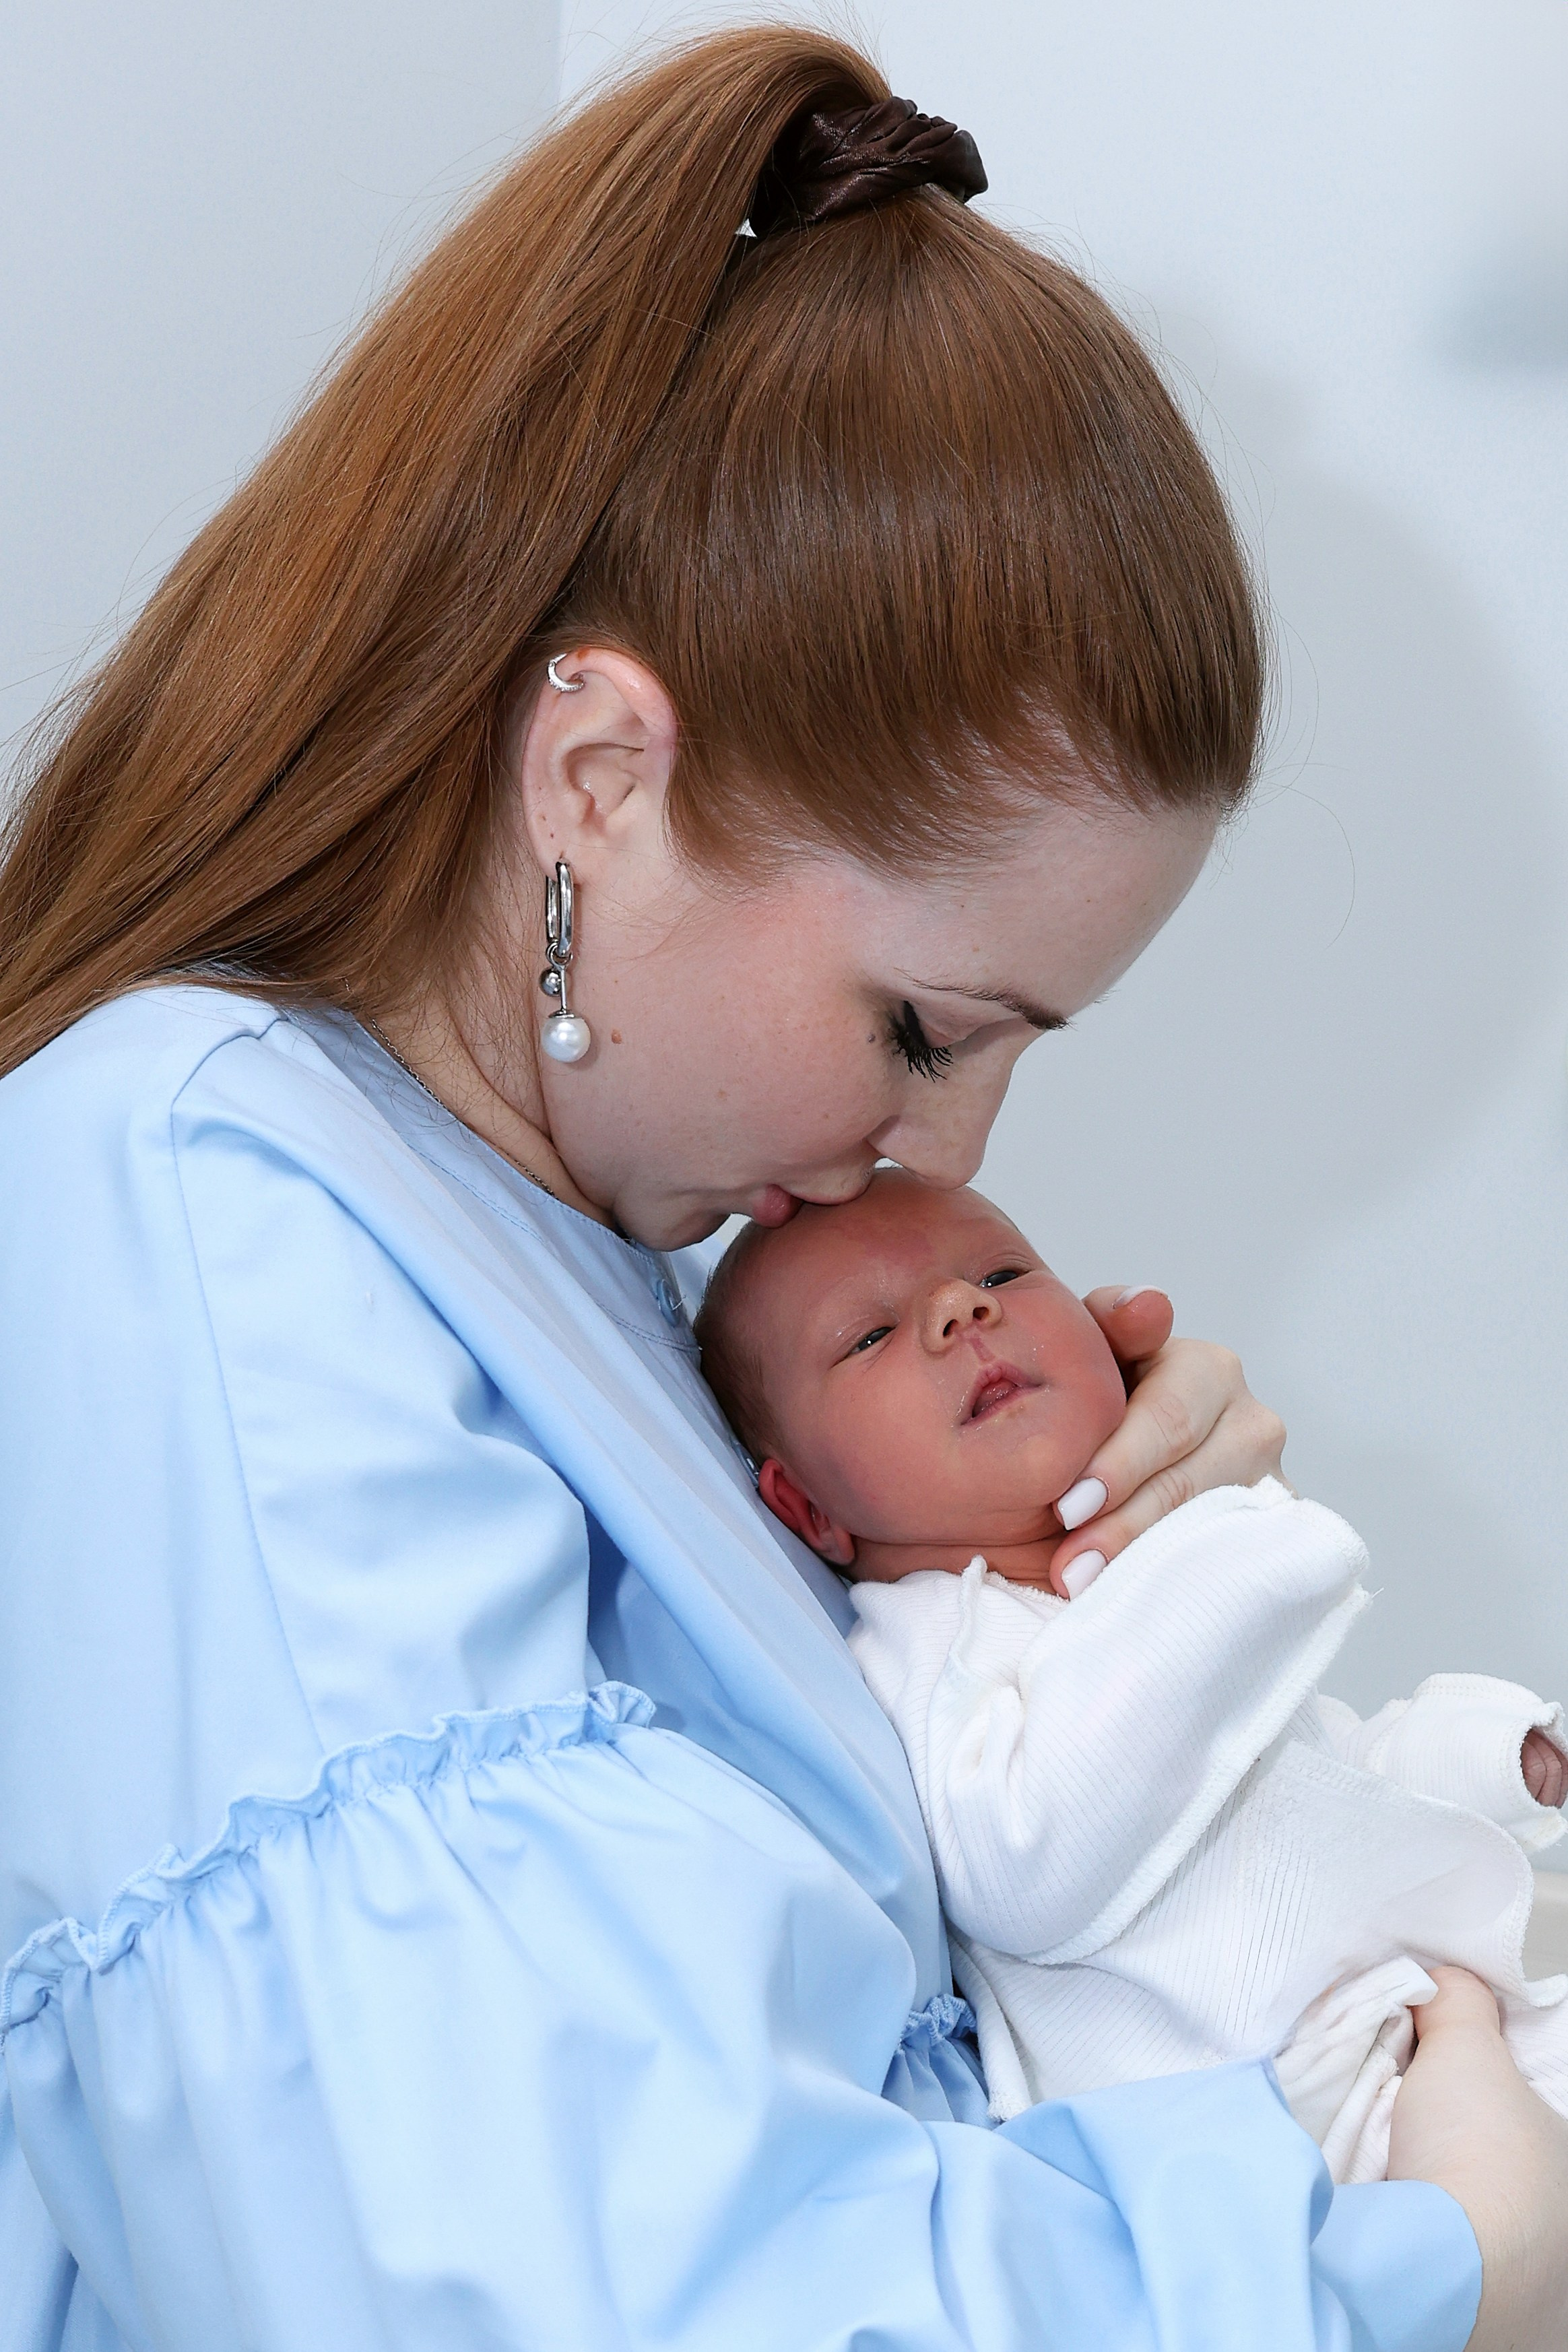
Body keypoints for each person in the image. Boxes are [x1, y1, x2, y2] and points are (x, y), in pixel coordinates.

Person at [0, 25, 1562, 2351]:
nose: (933, 1156)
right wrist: (1408, 2257)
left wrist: (1070, 1584)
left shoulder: (570, 1272)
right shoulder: (205, 1202)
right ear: (601, 772)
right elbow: (526, 2288)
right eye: (922, 1028)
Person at [693, 1169, 1568, 2180]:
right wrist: (1235, 1558)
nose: (960, 1308)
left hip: (1404, 2041)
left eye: (1002, 1272)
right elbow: (1023, 1858)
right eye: (871, 1336)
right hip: (1262, 2139)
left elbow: (1315, 1777)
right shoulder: (927, 1645)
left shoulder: (1139, 1590)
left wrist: (1491, 1755)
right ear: (808, 1511)